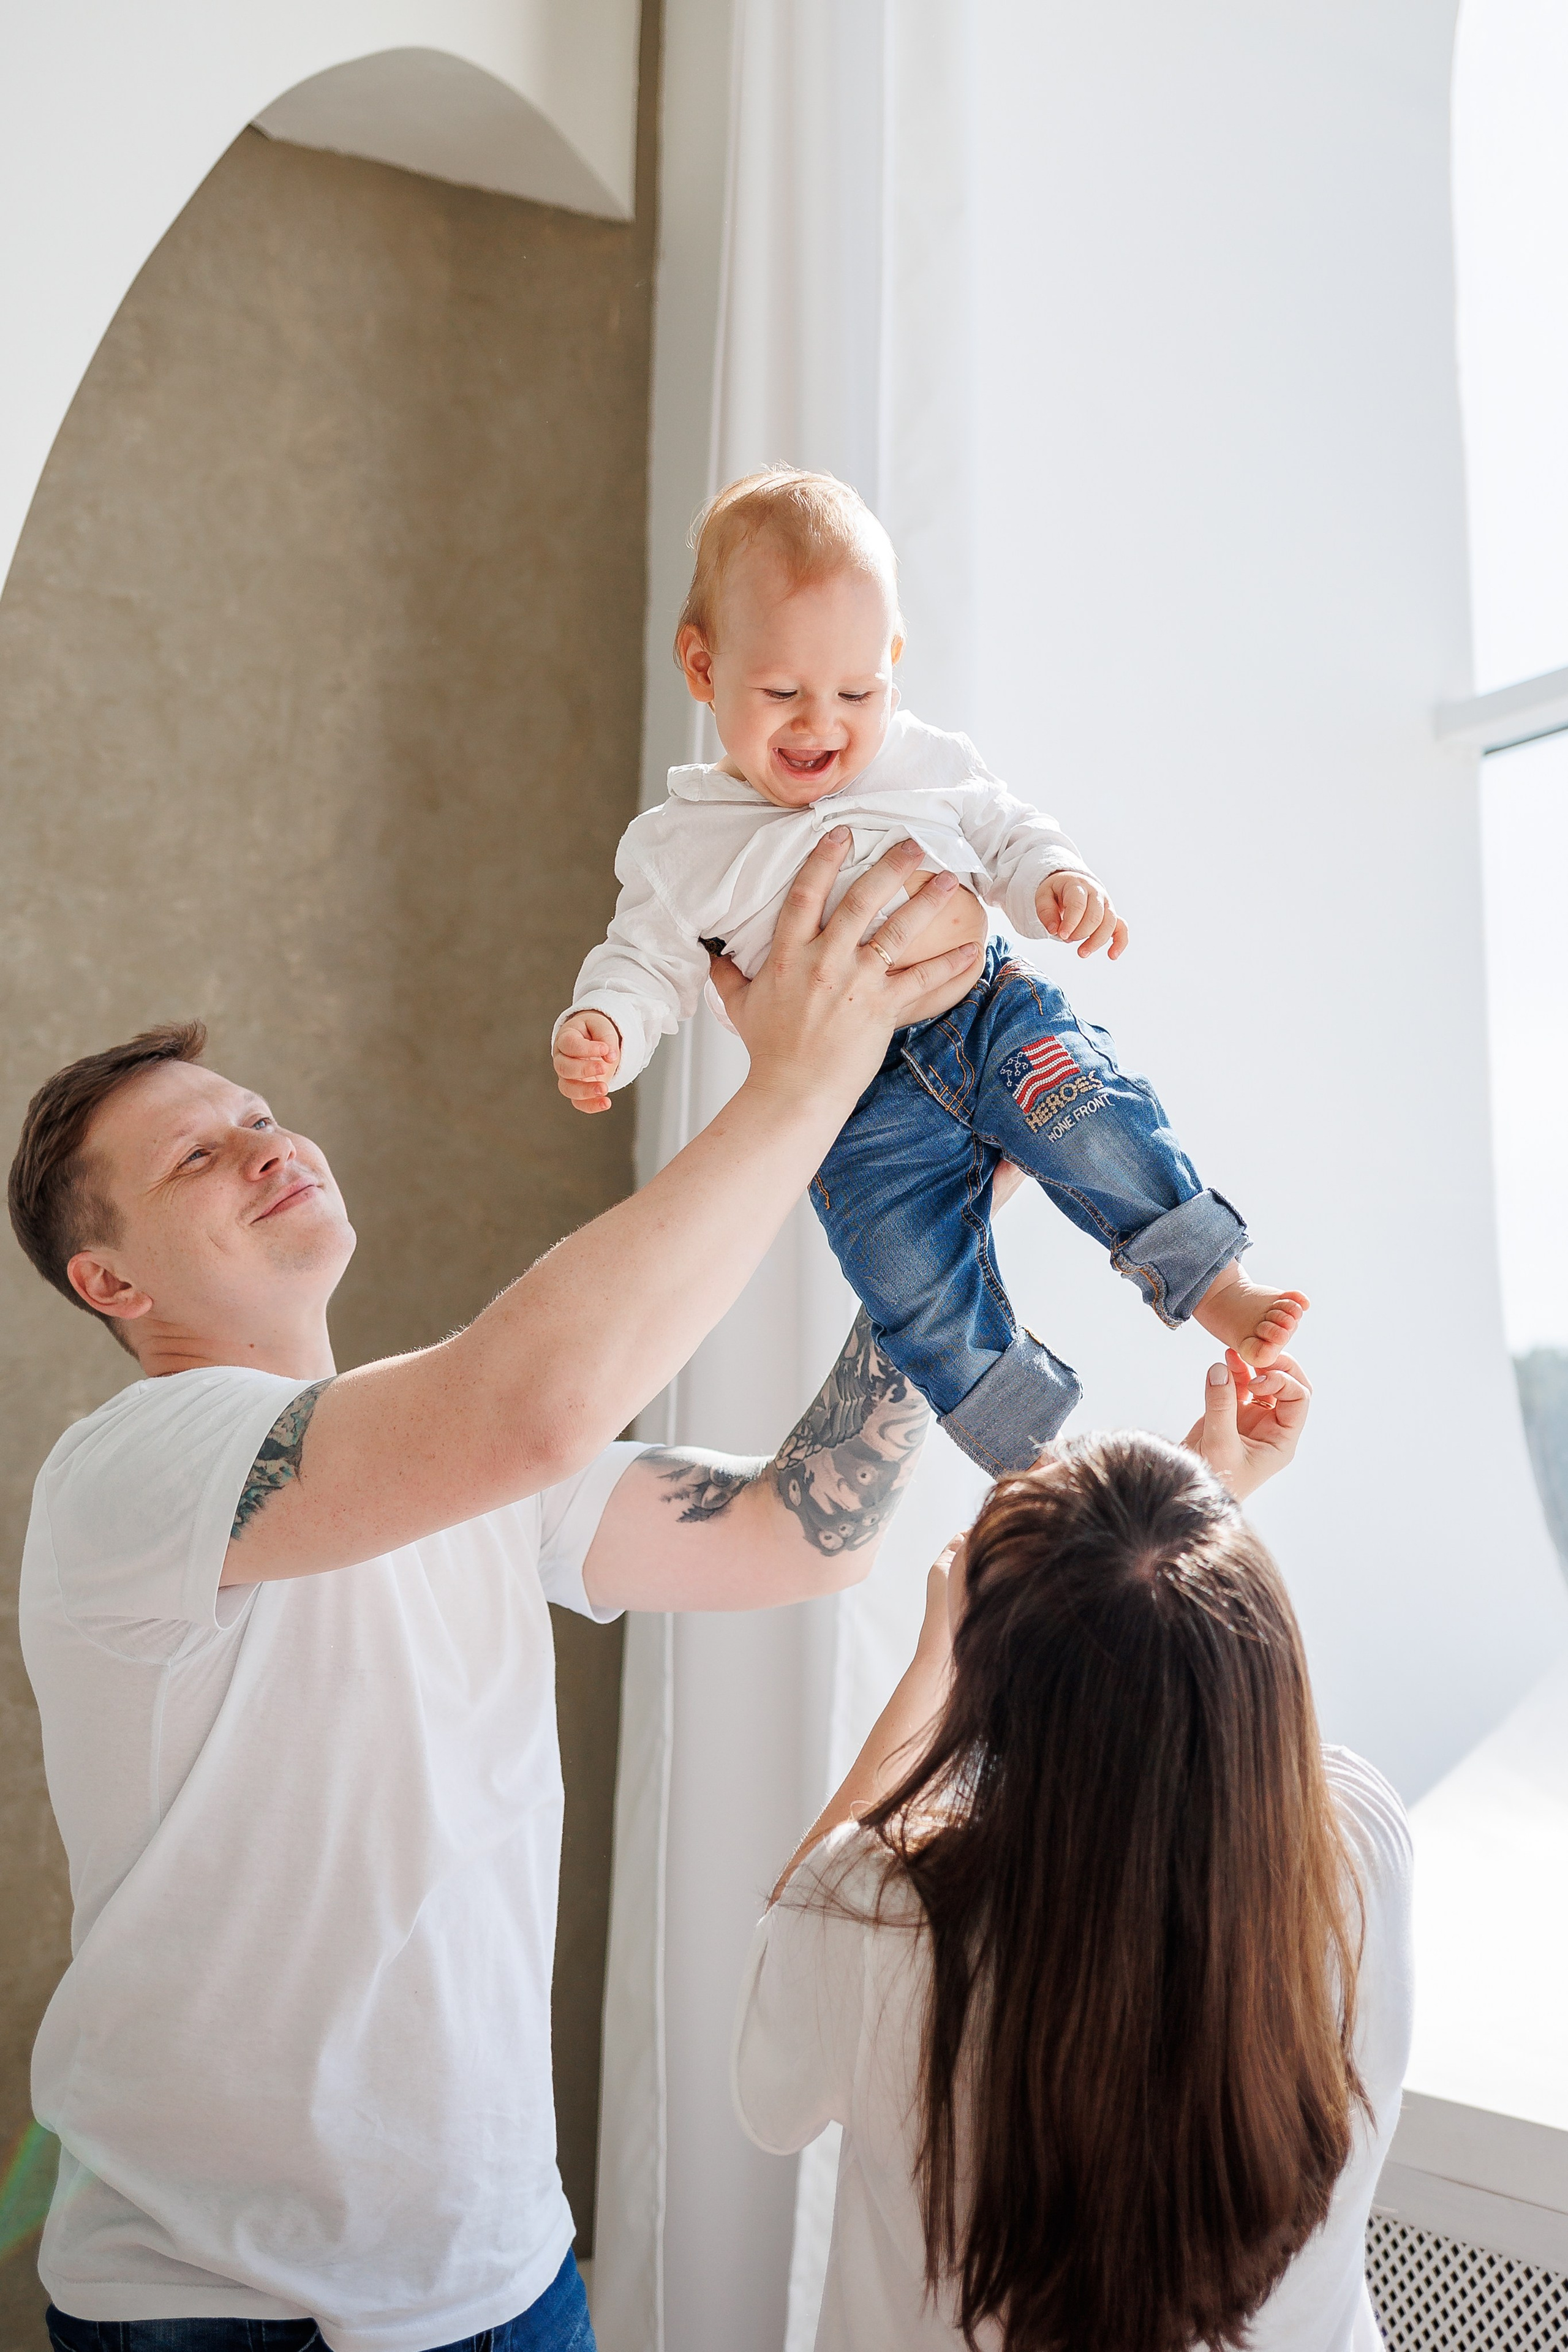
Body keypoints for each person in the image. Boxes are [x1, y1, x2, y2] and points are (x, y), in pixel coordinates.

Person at [7, 836, 982, 2352]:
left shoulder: (452, 1459)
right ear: (111, 1285)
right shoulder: (126, 1475)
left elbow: (803, 1529)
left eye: (257, 1117)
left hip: (500, 2272)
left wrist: (930, 1245)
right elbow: (522, 1403)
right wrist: (803, 1081)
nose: (266, 1145)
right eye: (195, 1158)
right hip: (209, 2308)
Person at [551, 467, 1308, 1479]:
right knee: (907, 1277)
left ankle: (1217, 1285)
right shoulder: (678, 844)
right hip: (854, 1106)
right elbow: (644, 960)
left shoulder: (921, 759)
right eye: (781, 693)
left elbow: (1005, 828)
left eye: (857, 692)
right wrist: (607, 1022)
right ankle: (1036, 1455)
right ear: (702, 666)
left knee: (1094, 1116)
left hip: (987, 1014)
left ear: (893, 668)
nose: (822, 724)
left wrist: (1055, 880)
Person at [733, 1355, 1413, 2352]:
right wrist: (1171, 1538)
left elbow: (769, 2083)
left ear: (991, 1684)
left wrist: (936, 1664)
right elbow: (1192, 1726)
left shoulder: (881, 1919)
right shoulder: (1356, 1849)